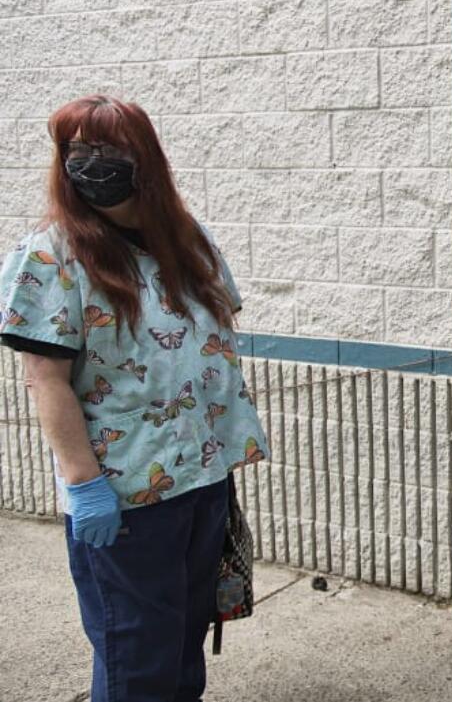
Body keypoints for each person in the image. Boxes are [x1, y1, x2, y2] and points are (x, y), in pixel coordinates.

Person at [0, 95, 269, 701]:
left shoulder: (184, 240)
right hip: (124, 498)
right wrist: (84, 485)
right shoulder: (50, 257)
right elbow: (45, 379)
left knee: (182, 652)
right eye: (77, 151)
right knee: (137, 662)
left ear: (144, 158)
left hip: (201, 481)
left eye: (109, 150)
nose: (92, 164)